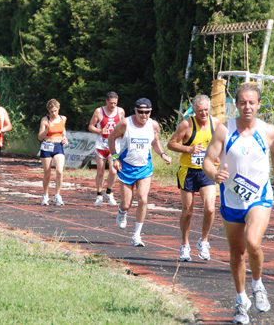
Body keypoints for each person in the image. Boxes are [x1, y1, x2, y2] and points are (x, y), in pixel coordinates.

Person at [202, 83, 274, 325]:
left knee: (252, 241)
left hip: (259, 197)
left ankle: (258, 284)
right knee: (237, 255)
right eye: (242, 102)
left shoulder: (269, 131)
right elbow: (208, 160)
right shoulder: (224, 130)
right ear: (236, 104)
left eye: (252, 102)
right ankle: (241, 301)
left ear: (259, 104)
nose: (247, 106)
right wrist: (214, 174)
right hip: (231, 200)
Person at [108, 98, 172, 247]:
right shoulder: (126, 124)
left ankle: (136, 235)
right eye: (141, 112)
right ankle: (121, 211)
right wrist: (115, 158)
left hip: (144, 167)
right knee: (126, 203)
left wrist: (163, 155)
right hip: (126, 167)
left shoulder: (153, 125)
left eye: (147, 112)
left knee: (143, 199)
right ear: (135, 111)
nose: (144, 115)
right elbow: (111, 138)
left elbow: (155, 142)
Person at [167, 95, 220, 262]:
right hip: (188, 171)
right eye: (199, 111)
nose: (203, 113)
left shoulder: (216, 124)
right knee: (188, 211)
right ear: (194, 110)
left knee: (210, 208)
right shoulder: (187, 124)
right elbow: (171, 144)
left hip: (207, 171)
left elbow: (222, 145)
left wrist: (219, 156)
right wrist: (189, 149)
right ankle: (184, 244)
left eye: (206, 110)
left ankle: (203, 241)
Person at [88, 91, 125, 207]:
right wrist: (100, 131)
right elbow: (90, 126)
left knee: (114, 170)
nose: (113, 106)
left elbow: (124, 127)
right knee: (100, 171)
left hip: (114, 146)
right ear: (106, 101)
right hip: (101, 145)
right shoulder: (99, 111)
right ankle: (99, 195)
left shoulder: (120, 111)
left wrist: (121, 134)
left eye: (115, 103)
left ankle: (108, 192)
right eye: (111, 103)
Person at [38, 99, 69, 206]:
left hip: (58, 147)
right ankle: (45, 195)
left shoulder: (63, 118)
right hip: (47, 147)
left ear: (58, 109)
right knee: (47, 173)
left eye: (55, 111)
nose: (54, 113)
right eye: (51, 111)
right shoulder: (45, 120)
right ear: (49, 111)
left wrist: (65, 138)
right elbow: (40, 137)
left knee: (60, 171)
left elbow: (63, 130)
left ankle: (57, 195)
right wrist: (47, 129)